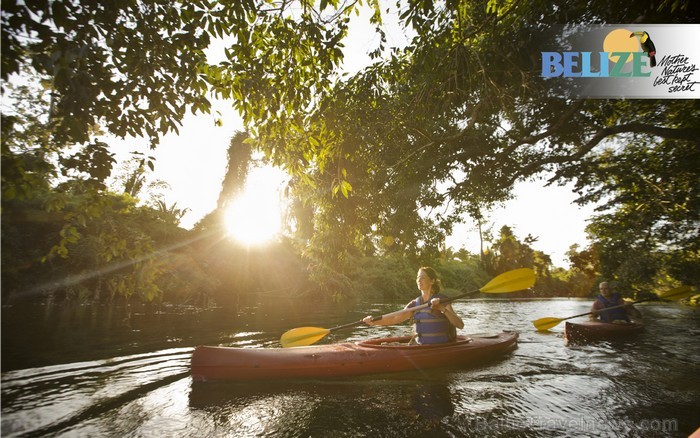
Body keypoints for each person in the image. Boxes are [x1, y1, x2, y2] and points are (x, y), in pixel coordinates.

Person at [363, 266, 464, 344]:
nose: (419, 280)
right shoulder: (415, 304)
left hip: (441, 347)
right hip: (420, 347)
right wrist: (373, 322)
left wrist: (441, 308)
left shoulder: (442, 300)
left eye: (423, 278)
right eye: (418, 278)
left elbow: (460, 325)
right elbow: (395, 318)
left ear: (432, 281)